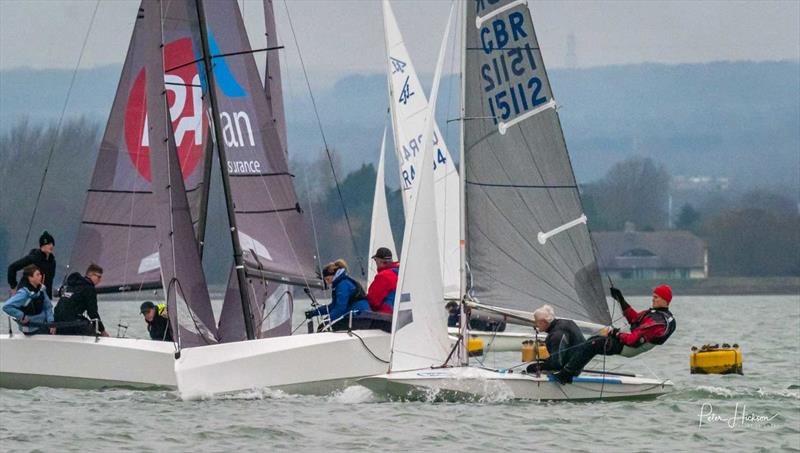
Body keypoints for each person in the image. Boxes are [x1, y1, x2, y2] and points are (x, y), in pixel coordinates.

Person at [552, 285, 676, 384]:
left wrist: (615, 333)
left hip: (630, 348)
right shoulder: (654, 314)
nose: (653, 299)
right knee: (594, 340)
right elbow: (634, 318)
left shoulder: (658, 323)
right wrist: (620, 299)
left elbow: (632, 340)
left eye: (656, 297)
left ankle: (566, 376)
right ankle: (571, 370)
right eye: (653, 296)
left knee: (594, 343)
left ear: (665, 300)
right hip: (630, 343)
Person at [304, 259, 372, 331]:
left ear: (334, 275)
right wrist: (314, 313)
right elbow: (333, 306)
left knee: (325, 328)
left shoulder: (342, 285)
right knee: (325, 327)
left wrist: (327, 321)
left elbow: (340, 308)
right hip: (358, 316)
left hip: (360, 317)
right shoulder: (340, 283)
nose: (328, 283)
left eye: (327, 279)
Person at [525, 304, 584, 374]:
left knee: (530, 368)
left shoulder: (557, 335)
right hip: (575, 364)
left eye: (536, 321)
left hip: (570, 370)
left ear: (543, 321)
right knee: (538, 362)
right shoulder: (565, 323)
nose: (535, 325)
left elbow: (557, 364)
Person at [54, 263, 109, 337]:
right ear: (91, 275)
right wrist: (102, 331)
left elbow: (58, 307)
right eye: (98, 277)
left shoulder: (71, 285)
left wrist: (54, 323)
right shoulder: (89, 288)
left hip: (58, 323)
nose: (100, 280)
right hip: (72, 324)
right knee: (96, 334)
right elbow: (92, 313)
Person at [2, 265, 55, 335]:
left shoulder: (41, 290)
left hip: (43, 324)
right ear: (30, 278)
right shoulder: (24, 293)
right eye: (37, 275)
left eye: (40, 274)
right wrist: (21, 316)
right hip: (32, 328)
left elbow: (48, 306)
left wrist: (51, 322)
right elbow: (6, 306)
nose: (41, 276)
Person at [7, 231, 56, 298]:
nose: (51, 246)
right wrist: (13, 286)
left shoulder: (52, 262)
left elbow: (49, 282)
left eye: (52, 244)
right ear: (42, 246)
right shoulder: (33, 258)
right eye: (48, 244)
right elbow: (12, 267)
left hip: (42, 297)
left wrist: (48, 298)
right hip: (28, 295)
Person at [366, 247, 399, 314]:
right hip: (400, 316)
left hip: (385, 317)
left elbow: (373, 301)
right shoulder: (400, 272)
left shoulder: (383, 276)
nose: (375, 263)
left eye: (375, 260)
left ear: (381, 261)